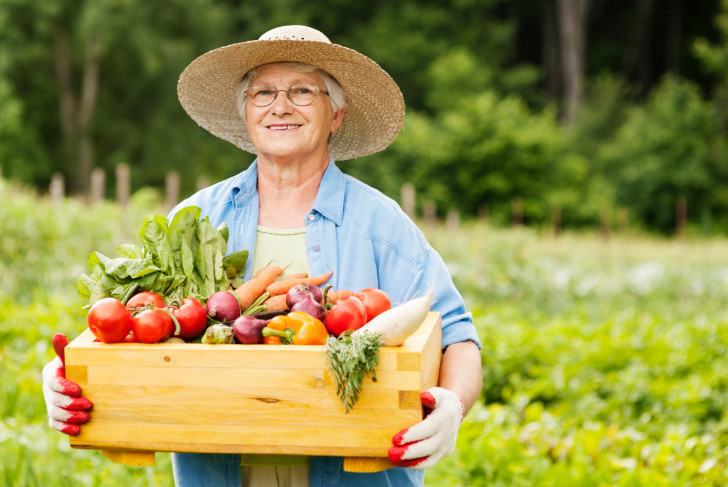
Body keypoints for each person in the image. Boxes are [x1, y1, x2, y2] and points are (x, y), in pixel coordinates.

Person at [42, 25, 482, 487]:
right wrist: (65, 373)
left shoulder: (379, 223)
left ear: (336, 116)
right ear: (247, 115)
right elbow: (136, 320)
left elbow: (457, 337)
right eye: (263, 92)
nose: (280, 106)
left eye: (302, 90)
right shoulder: (198, 217)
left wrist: (451, 404)